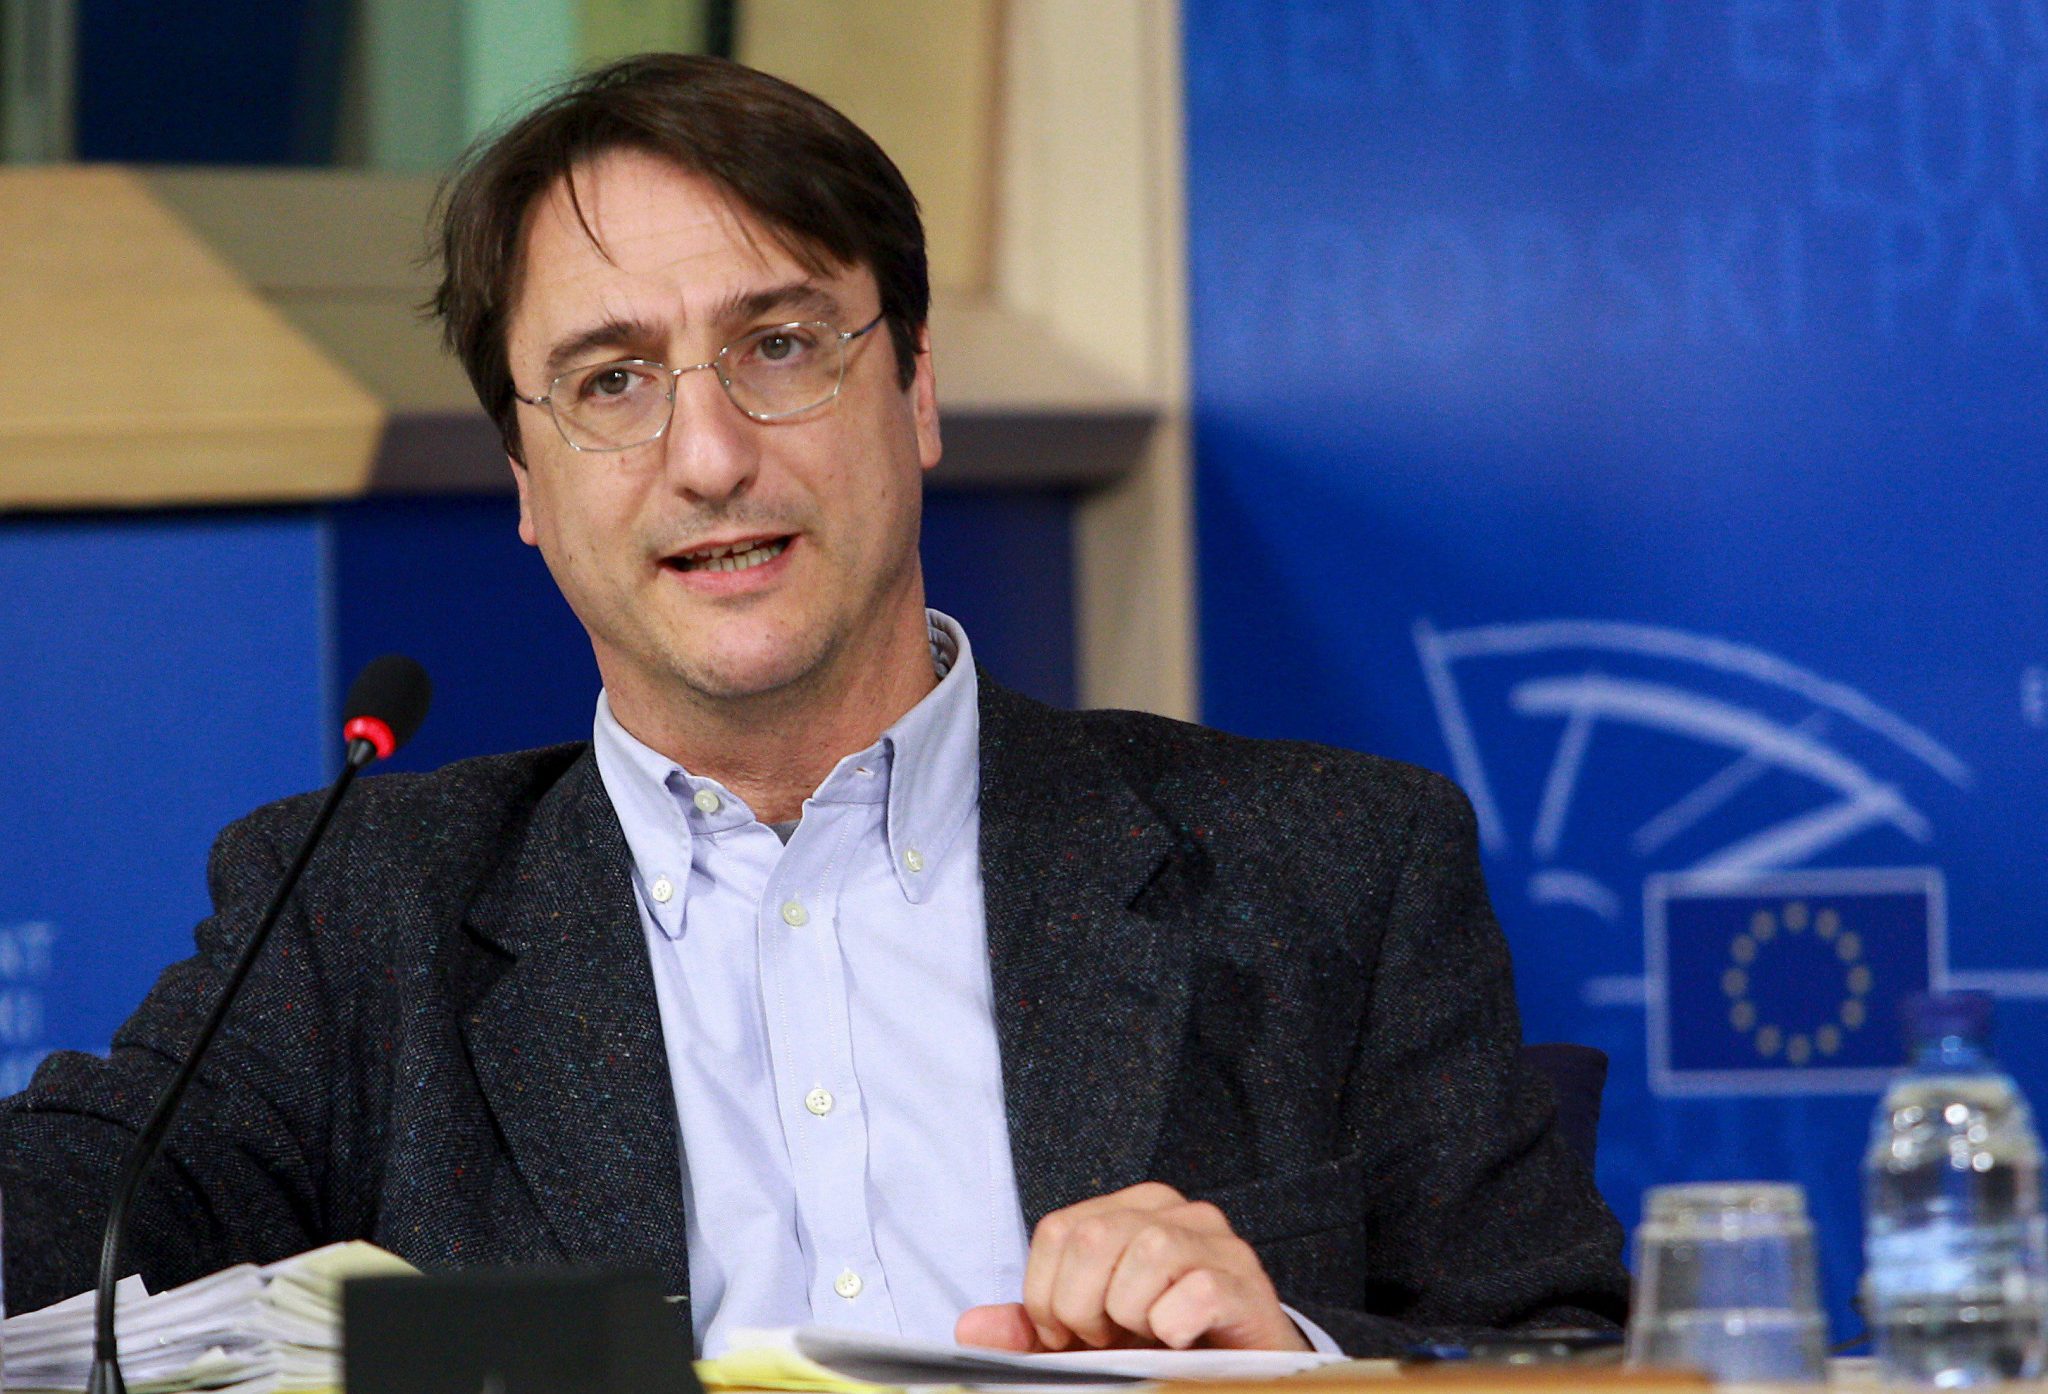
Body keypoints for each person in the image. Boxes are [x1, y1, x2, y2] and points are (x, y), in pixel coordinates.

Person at [0, 55, 1627, 1356]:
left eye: (778, 345)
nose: (709, 456)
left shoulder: (1334, 864)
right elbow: (66, 1214)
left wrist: (1297, 1355)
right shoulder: (356, 917)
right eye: (612, 381)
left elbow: (1571, 1351)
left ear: (915, 389)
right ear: (527, 481)